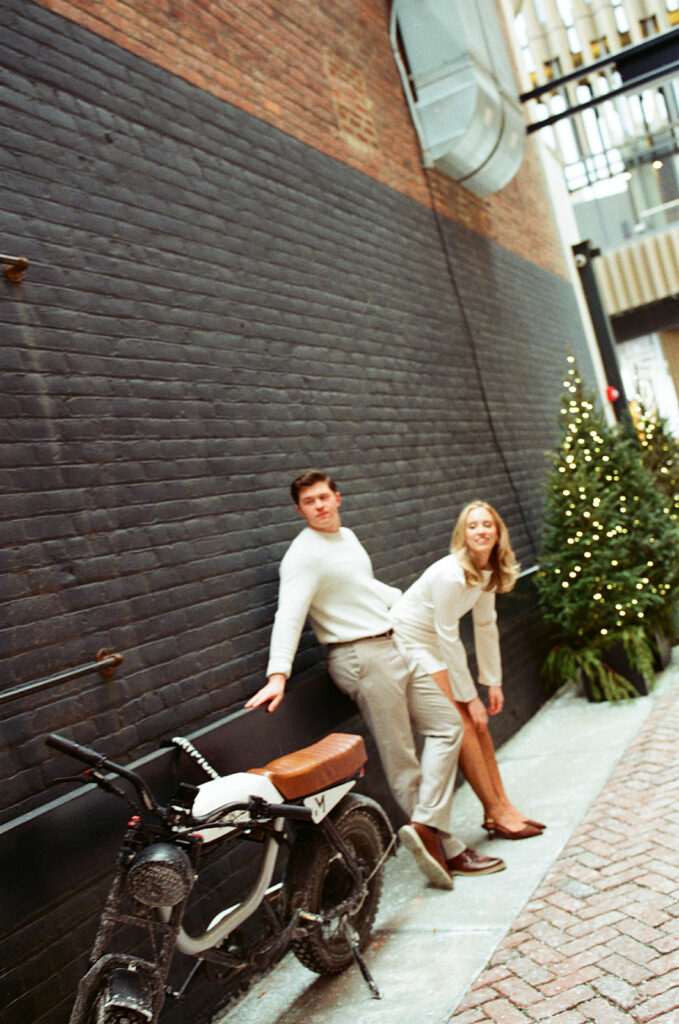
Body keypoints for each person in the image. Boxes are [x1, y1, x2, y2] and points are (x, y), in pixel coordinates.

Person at [246, 470, 505, 888]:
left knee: (447, 726)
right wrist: (278, 674)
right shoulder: (302, 555)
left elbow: (360, 587)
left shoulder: (346, 538)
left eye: (324, 497)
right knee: (402, 757)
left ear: (338, 498)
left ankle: (425, 825)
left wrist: (397, 598)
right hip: (359, 657)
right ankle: (450, 848)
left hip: (393, 643)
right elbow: (289, 614)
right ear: (300, 510)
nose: (320, 506)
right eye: (310, 502)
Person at [390, 500, 545, 840]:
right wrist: (469, 696)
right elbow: (448, 639)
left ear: (497, 531)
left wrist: (493, 683)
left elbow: (486, 626)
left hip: (436, 643)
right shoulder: (451, 573)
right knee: (463, 721)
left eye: (487, 524)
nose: (481, 531)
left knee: (479, 725)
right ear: (463, 534)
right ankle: (494, 811)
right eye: (473, 525)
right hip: (411, 641)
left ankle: (503, 806)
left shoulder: (487, 570)